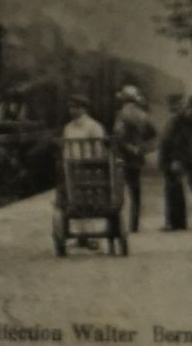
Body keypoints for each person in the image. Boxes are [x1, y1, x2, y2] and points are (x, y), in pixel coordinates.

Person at [58, 95, 107, 249]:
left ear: (84, 109)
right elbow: (66, 149)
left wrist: (94, 165)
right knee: (75, 200)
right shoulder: (68, 127)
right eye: (70, 107)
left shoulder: (94, 126)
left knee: (89, 199)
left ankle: (92, 236)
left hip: (89, 168)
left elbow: (99, 149)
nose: (72, 110)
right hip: (72, 169)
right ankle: (81, 236)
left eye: (76, 107)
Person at [112, 84, 156, 233]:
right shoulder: (143, 114)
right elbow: (153, 134)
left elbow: (119, 135)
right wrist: (141, 148)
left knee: (118, 191)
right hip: (137, 159)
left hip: (122, 158)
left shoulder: (122, 114)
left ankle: (116, 223)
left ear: (124, 99)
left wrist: (127, 147)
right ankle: (134, 225)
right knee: (135, 191)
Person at [159, 96, 192, 230]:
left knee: (177, 190)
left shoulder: (185, 120)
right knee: (172, 191)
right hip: (171, 159)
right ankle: (172, 222)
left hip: (177, 159)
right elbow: (170, 142)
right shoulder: (176, 121)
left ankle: (179, 222)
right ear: (188, 107)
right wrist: (174, 160)